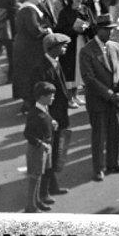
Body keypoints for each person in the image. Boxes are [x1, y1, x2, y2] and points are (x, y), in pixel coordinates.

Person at [79, 14, 119, 181]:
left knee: (114, 133)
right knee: (99, 136)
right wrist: (109, 94)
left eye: (111, 29)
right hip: (98, 101)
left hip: (115, 99)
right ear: (98, 30)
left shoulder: (115, 46)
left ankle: (113, 163)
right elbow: (89, 78)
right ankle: (98, 168)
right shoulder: (86, 51)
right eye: (107, 30)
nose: (110, 32)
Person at [31, 32, 72, 203]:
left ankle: (52, 186)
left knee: (55, 152)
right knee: (47, 155)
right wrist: (49, 118)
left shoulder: (55, 63)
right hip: (50, 117)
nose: (65, 47)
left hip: (59, 114)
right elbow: (39, 97)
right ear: (52, 48)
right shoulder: (41, 67)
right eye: (62, 45)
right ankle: (43, 193)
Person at [23, 81, 58, 212]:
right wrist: (40, 143)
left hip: (46, 147)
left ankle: (37, 201)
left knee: (40, 175)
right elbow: (27, 134)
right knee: (35, 177)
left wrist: (52, 122)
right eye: (51, 96)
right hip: (37, 149)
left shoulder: (45, 108)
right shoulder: (34, 113)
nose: (53, 98)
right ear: (42, 97)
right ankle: (30, 205)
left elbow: (46, 119)